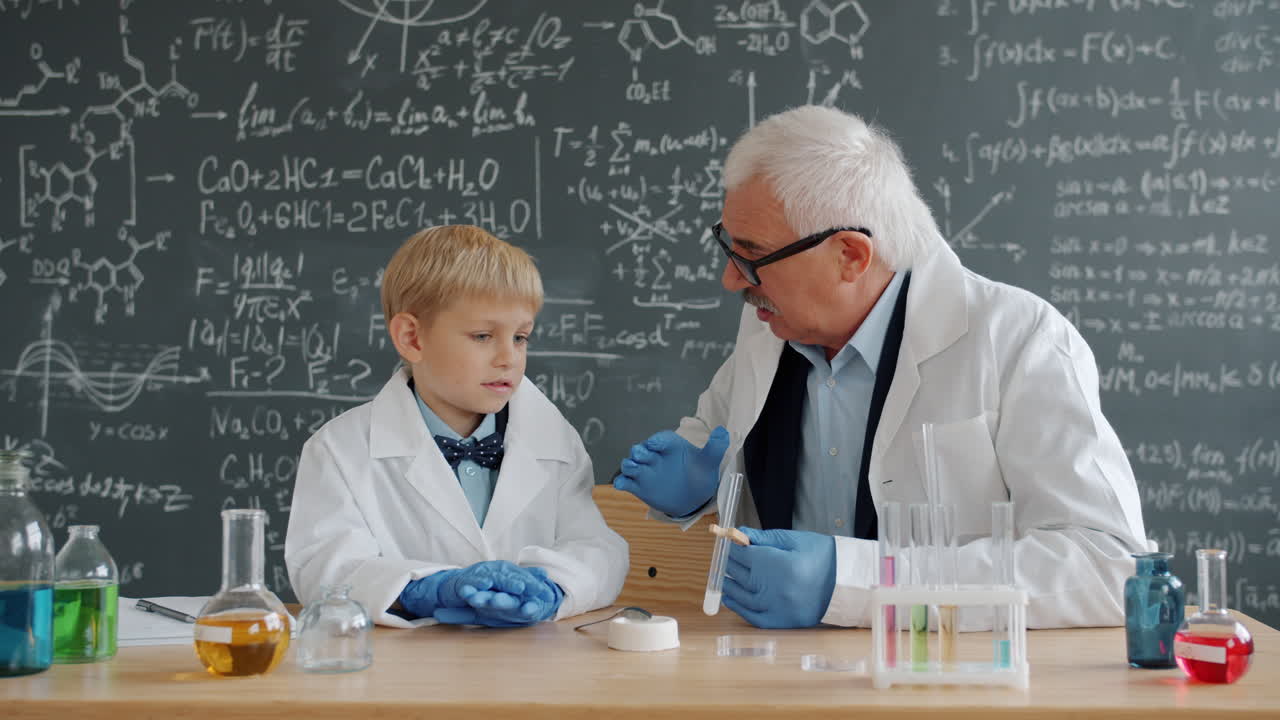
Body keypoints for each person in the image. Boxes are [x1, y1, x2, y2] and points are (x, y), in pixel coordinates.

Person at [614, 105, 1150, 629]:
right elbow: (714, 441)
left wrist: (854, 582)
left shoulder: (1018, 339)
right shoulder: (769, 329)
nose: (733, 280)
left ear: (851, 255)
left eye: (751, 255)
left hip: (945, 685)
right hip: (776, 680)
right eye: (728, 247)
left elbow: (1106, 565)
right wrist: (693, 486)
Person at [287, 225, 628, 628]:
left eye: (520, 337)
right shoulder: (339, 449)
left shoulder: (553, 441)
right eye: (483, 336)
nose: (508, 358)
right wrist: (425, 589)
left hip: (534, 671)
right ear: (412, 338)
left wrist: (552, 587)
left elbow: (598, 549)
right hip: (402, 675)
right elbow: (323, 568)